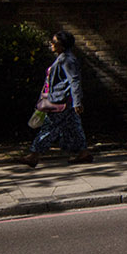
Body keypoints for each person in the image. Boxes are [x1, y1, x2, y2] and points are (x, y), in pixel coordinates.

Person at [19, 30, 93, 168]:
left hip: (61, 101)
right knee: (74, 127)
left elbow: (74, 80)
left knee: (49, 127)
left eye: (54, 42)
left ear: (62, 44)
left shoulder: (67, 59)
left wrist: (77, 101)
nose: (51, 44)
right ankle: (83, 153)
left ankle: (34, 155)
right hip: (64, 101)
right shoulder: (62, 58)